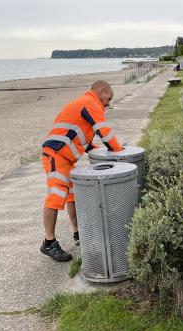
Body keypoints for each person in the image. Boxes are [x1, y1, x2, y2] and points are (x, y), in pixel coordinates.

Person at [40, 80, 122, 262]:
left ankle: (78, 234)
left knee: (72, 195)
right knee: (56, 195)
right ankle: (49, 242)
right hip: (56, 155)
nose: (109, 102)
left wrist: (94, 150)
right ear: (101, 91)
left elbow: (80, 136)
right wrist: (119, 152)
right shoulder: (91, 103)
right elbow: (104, 131)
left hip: (65, 158)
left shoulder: (85, 103)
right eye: (109, 97)